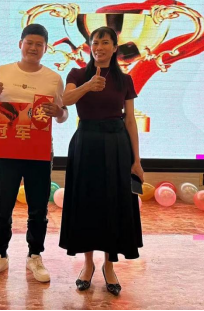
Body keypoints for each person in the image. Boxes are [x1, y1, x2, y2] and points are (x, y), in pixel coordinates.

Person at [0, 24, 69, 283]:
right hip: (6, 150)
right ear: (20, 44)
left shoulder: (53, 78)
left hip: (39, 152)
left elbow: (63, 114)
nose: (33, 48)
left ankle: (35, 255)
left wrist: (58, 112)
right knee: (3, 206)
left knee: (38, 207)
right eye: (29, 42)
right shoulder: (3, 71)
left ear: (46, 48)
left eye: (39, 44)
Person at [59, 26, 144, 295]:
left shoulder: (124, 79)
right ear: (90, 46)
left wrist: (137, 160)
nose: (99, 47)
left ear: (115, 48)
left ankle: (109, 265)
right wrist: (87, 86)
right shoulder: (77, 74)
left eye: (105, 42)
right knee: (86, 202)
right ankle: (87, 264)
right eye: (95, 42)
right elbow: (64, 100)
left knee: (113, 203)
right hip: (86, 142)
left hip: (117, 144)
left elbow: (130, 120)